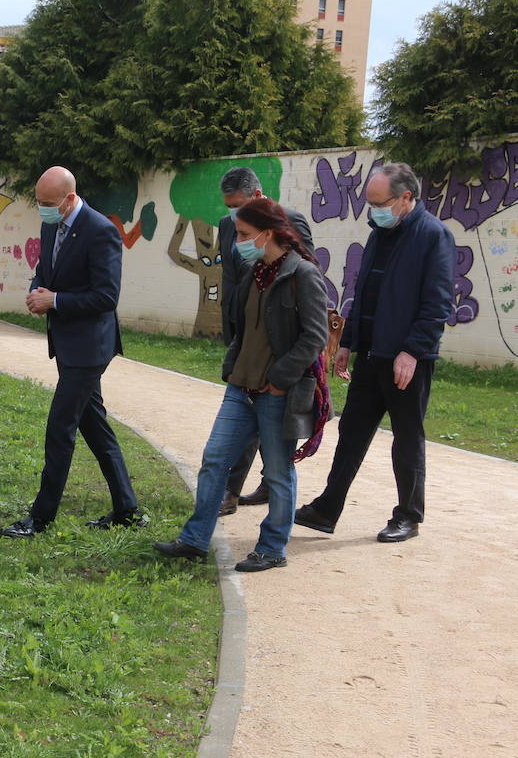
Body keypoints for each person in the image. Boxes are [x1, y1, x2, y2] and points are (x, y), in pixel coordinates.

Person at [154, 198, 329, 571]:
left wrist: (280, 381)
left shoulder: (303, 275)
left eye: (246, 235)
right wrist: (232, 368)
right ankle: (194, 539)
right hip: (241, 389)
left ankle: (271, 548)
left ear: (268, 234)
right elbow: (240, 328)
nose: (240, 243)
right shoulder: (254, 272)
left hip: (275, 393)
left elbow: (314, 337)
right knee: (215, 459)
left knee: (278, 472)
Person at [295, 162, 454, 544]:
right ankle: (327, 509)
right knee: (351, 431)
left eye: (379, 203)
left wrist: (413, 351)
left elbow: (438, 304)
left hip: (406, 362)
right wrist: (348, 343)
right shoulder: (380, 234)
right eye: (370, 203)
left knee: (407, 436)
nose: (373, 211)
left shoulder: (434, 236)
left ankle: (408, 516)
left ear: (406, 198)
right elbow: (363, 291)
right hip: (371, 355)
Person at [1, 166, 142, 538]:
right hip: (66, 343)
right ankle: (127, 509)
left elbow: (107, 296)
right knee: (95, 427)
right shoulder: (52, 223)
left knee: (60, 428)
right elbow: (45, 267)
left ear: (70, 198)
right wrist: (37, 291)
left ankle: (41, 518)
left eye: (48, 203)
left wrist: (56, 301)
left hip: (89, 348)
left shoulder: (101, 230)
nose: (42, 210)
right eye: (39, 203)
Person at [216, 167, 315, 516]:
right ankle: (255, 484)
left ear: (258, 196)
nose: (233, 213)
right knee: (245, 414)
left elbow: (304, 274)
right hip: (242, 333)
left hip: (277, 343)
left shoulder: (291, 221)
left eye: (240, 204)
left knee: (261, 417)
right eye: (229, 206)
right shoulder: (228, 226)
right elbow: (230, 277)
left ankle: (232, 490)